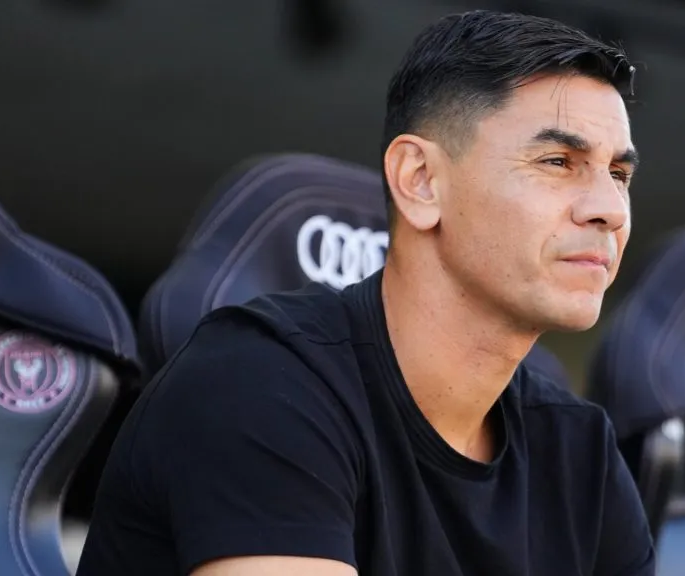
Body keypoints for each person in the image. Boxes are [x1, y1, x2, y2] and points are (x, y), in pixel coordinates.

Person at [77, 9, 651, 576]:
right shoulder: (259, 382)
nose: (610, 209)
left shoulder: (580, 451)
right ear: (419, 181)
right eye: (558, 161)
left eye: (618, 175)